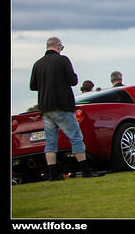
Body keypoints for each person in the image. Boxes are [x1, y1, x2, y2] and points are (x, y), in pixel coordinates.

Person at [29, 37, 94, 180]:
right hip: (62, 106)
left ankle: (52, 174)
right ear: (58, 46)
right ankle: (85, 170)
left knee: (50, 142)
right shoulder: (63, 60)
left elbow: (33, 86)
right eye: (61, 47)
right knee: (75, 137)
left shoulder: (38, 64)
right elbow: (73, 81)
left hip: (45, 108)